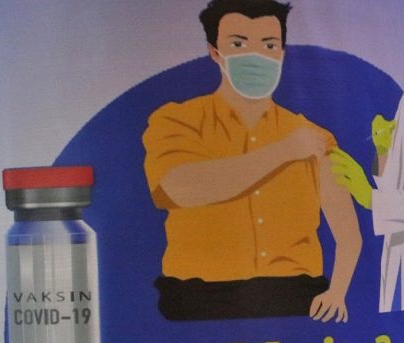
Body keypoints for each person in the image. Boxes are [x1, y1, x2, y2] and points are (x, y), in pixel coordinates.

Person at [143, 0, 362, 322]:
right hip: (196, 297)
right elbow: (176, 189)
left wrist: (338, 292)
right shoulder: (178, 120)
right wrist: (283, 152)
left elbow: (346, 230)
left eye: (269, 44)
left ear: (282, 53)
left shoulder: (314, 137)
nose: (255, 55)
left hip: (295, 295)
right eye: (238, 43)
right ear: (215, 52)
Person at [330, 3, 404, 313]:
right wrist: (383, 152)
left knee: (401, 316)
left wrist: (365, 194)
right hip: (395, 248)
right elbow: (394, 185)